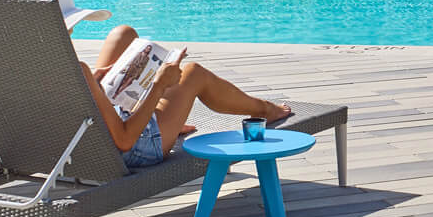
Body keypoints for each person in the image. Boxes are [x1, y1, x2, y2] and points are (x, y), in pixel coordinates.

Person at [78, 23, 291, 170]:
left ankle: (168, 118)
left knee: (122, 34)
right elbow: (124, 141)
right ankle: (264, 110)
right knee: (193, 73)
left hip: (85, 139)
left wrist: (95, 86)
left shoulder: (60, 67)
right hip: (130, 147)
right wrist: (159, 85)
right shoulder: (78, 71)